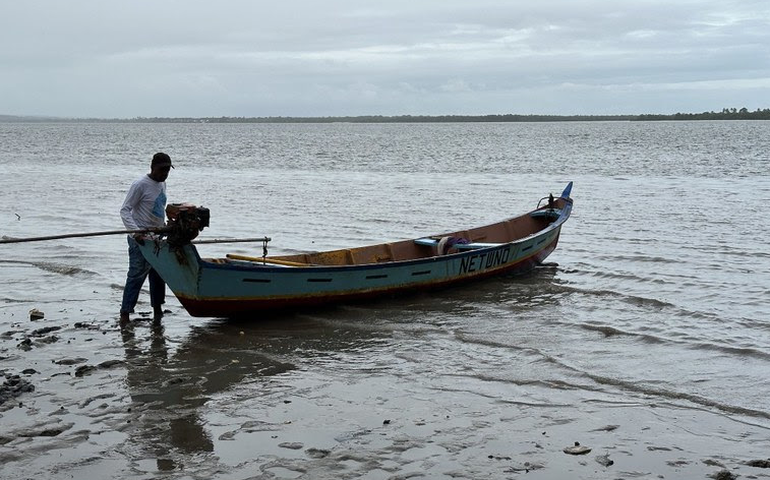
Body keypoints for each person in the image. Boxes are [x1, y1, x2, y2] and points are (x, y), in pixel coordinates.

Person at [119, 152, 173, 324]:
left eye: (167, 170)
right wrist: (135, 232)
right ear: (153, 167)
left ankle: (157, 309)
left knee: (158, 274)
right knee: (136, 275)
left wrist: (165, 226)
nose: (164, 174)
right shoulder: (140, 185)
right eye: (162, 170)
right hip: (140, 239)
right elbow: (125, 210)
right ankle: (125, 313)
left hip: (156, 237)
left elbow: (158, 208)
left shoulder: (162, 184)